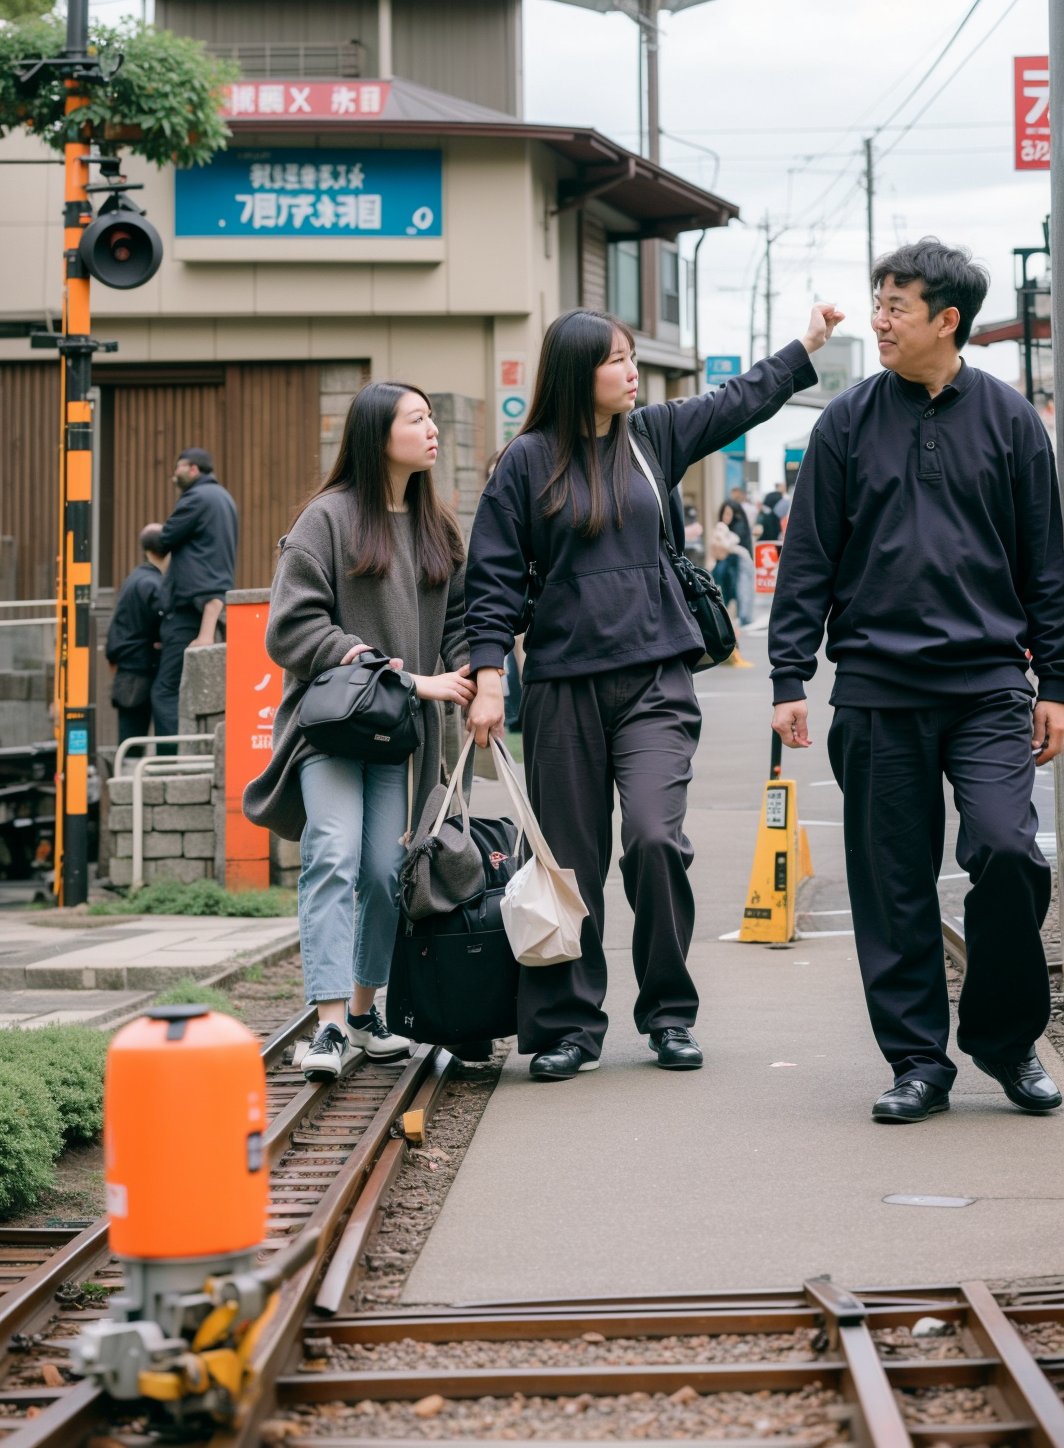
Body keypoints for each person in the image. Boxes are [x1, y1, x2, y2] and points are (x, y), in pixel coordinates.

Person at [466, 302, 842, 1081]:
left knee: (654, 839)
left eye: (633, 356)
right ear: (578, 374)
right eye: (616, 360)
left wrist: (804, 345)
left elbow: (739, 398)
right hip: (565, 686)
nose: (632, 370)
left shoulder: (652, 439)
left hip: (655, 680)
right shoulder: (525, 462)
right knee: (567, 863)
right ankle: (571, 1024)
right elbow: (493, 581)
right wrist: (489, 678)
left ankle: (669, 1013)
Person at [769, 237, 1064, 1125]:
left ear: (948, 320)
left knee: (1011, 854)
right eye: (878, 300)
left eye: (897, 306)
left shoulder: (1012, 422)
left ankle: (1006, 1041)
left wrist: (1054, 679)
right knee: (891, 883)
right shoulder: (847, 422)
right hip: (876, 687)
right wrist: (789, 672)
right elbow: (809, 557)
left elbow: (1046, 564)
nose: (880, 320)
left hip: (988, 686)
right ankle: (917, 1062)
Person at [243, 383, 473, 1082]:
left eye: (432, 417)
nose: (432, 430)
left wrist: (475, 676)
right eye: (417, 419)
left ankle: (368, 1013)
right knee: (334, 855)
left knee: (382, 872)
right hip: (336, 730)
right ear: (379, 437)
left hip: (401, 740)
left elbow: (461, 621)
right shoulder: (327, 519)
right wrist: (405, 677)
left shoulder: (438, 526)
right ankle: (330, 1024)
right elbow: (293, 627)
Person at [152, 448, 238, 751]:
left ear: (192, 469)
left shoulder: (195, 498)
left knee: (165, 688)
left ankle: (169, 760)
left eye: (178, 468)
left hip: (189, 605)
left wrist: (156, 535)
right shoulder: (224, 498)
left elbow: (166, 537)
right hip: (211, 600)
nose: (173, 474)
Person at [105, 524, 166, 752]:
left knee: (130, 740)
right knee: (133, 741)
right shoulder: (151, 583)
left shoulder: (136, 578)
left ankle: (128, 783)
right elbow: (163, 622)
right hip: (139, 671)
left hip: (128, 672)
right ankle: (131, 785)